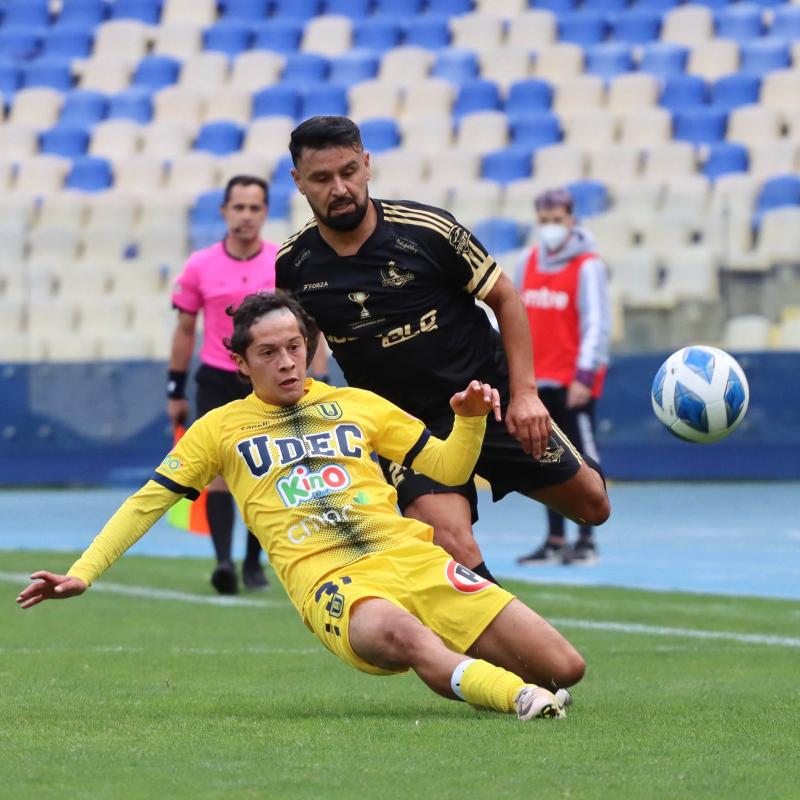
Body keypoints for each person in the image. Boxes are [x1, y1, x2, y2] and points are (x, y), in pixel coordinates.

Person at [17, 292, 583, 722]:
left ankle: (493, 671)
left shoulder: (357, 405)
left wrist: (469, 419)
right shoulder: (219, 429)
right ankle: (519, 699)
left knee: (566, 667)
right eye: (269, 352)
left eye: (296, 347)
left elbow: (452, 471)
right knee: (410, 640)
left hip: (412, 559)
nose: (288, 362)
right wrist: (83, 573)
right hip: (333, 582)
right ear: (241, 363)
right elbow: (147, 503)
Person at [275, 116, 610, 584]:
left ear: (367, 165)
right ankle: (503, 647)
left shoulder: (429, 231)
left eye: (348, 171)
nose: (340, 188)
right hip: (407, 428)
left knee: (594, 506)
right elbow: (295, 350)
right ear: (298, 183)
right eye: (322, 179)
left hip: (489, 400)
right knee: (450, 540)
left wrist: (527, 394)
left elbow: (506, 298)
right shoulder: (295, 265)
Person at [167, 174, 277, 595]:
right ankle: (223, 564)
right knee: (216, 475)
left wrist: (312, 376)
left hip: (265, 379)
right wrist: (174, 390)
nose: (246, 216)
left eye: (254, 208)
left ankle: (253, 563)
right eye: (239, 207)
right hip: (215, 376)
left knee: (265, 472)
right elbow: (183, 329)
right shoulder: (200, 265)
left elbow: (304, 327)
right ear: (224, 211)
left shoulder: (280, 262)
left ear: (265, 213)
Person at [516, 188, 611, 566]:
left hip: (573, 380)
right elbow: (516, 313)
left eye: (558, 220)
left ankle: (587, 540)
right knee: (544, 458)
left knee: (584, 457)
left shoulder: (588, 265)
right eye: (545, 221)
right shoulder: (528, 260)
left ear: (572, 220)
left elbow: (597, 323)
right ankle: (555, 539)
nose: (551, 228)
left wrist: (584, 376)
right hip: (537, 382)